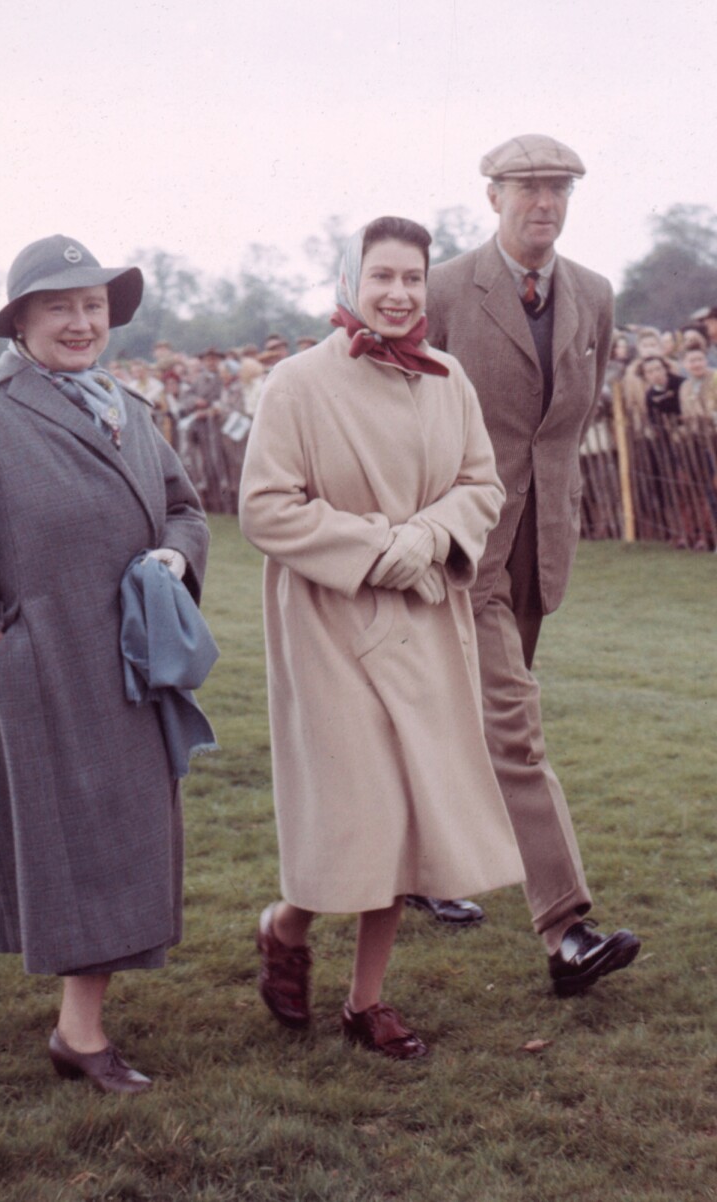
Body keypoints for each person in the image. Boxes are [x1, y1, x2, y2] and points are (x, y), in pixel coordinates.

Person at [0, 234, 210, 1095]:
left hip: (120, 676)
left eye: (93, 305)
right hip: (13, 680)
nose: (80, 322)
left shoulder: (127, 411)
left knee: (107, 844)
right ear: (20, 320)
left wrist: (174, 561)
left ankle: (80, 1035)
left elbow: (184, 509)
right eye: (59, 306)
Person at [239, 216, 524, 1060]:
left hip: (427, 620)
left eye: (412, 278)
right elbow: (265, 507)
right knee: (354, 813)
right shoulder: (295, 385)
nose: (398, 294)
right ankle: (287, 924)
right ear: (350, 281)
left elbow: (482, 484)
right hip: (333, 625)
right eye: (382, 277)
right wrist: (374, 548)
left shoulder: (451, 378)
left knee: (405, 816)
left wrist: (427, 539)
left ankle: (367, 1002)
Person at [420, 134, 641, 995]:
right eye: (527, 188)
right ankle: (567, 929)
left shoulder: (593, 293)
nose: (544, 203)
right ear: (491, 197)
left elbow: (570, 419)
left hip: (543, 545)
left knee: (466, 725)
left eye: (559, 190)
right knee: (514, 728)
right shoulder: (442, 290)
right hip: (459, 547)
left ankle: (416, 874)